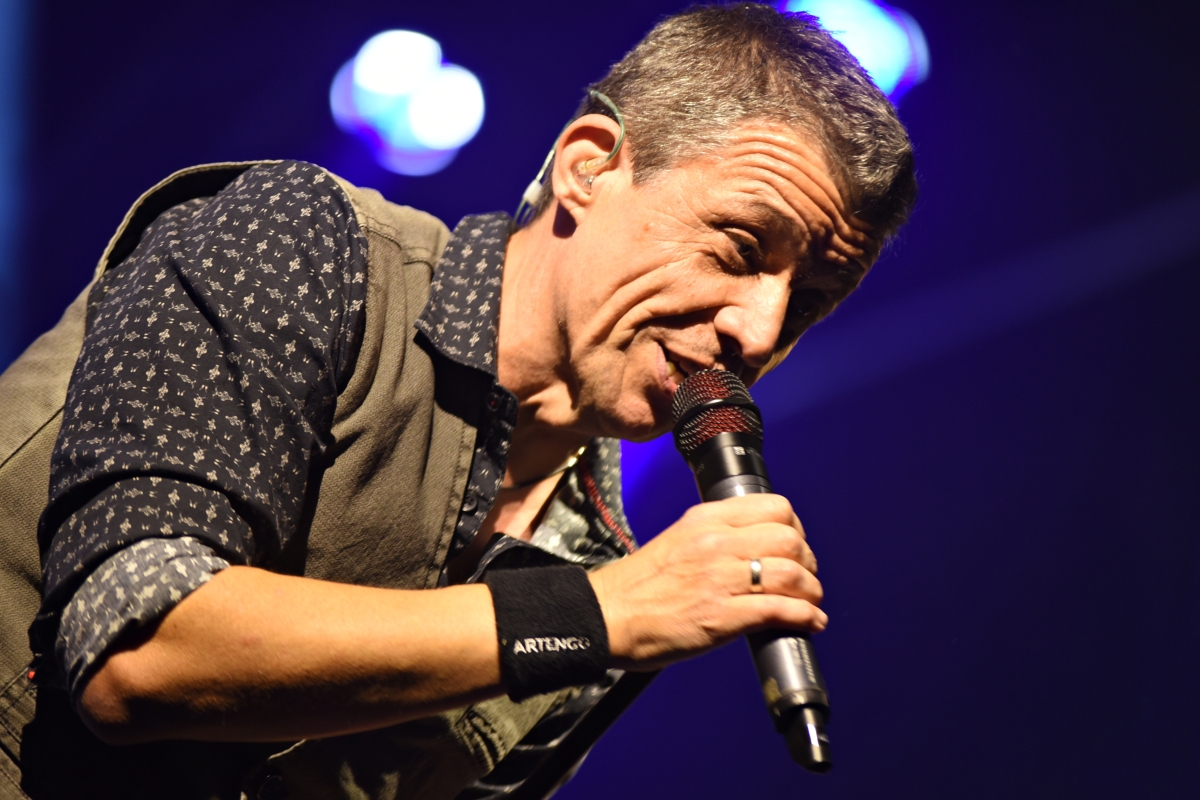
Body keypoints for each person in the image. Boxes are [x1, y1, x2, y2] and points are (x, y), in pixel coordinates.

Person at [0, 4, 916, 799]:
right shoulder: (305, 240)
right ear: (588, 167)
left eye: (807, 303)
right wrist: (596, 616)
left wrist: (604, 611)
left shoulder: (606, 564)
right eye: (742, 247)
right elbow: (133, 650)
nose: (760, 329)